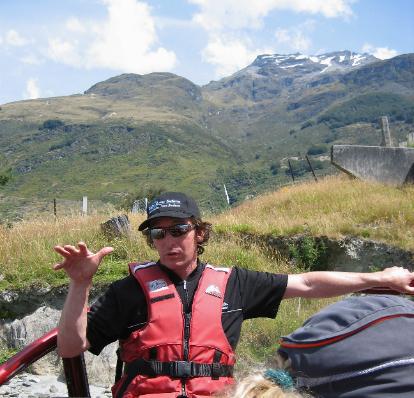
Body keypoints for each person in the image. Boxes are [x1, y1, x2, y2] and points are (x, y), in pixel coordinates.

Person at [53, 192, 414, 398]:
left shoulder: (235, 284)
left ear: (199, 233)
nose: (168, 241)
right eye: (157, 235)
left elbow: (306, 284)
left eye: (178, 229)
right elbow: (70, 348)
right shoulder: (129, 290)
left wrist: (379, 278)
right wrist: (80, 283)